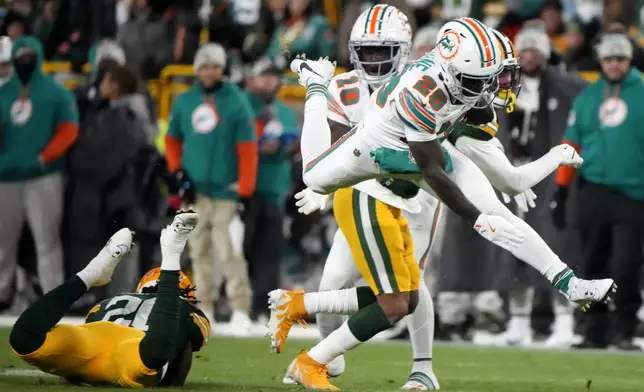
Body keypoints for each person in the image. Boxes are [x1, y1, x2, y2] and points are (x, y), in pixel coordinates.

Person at [269, 16, 614, 391]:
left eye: (495, 77)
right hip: (381, 150)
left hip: (427, 149)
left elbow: (480, 120)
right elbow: (431, 170)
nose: (491, 87)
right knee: (314, 176)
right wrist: (474, 219)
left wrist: (491, 120)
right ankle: (315, 85)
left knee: (495, 212)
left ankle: (568, 282)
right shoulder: (423, 90)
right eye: (482, 81)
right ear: (452, 75)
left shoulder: (468, 68)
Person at [284, 6, 441, 389]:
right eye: (365, 50)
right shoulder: (345, 88)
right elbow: (333, 148)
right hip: (364, 195)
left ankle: (423, 367)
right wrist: (323, 185)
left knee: (411, 282)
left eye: (380, 50)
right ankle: (328, 354)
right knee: (332, 282)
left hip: (413, 196)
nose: (371, 59)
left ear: (402, 50)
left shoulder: (420, 83)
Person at [10, 211, 207, 387]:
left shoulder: (109, 302)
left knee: (23, 339)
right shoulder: (183, 307)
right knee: (157, 354)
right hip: (133, 355)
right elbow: (194, 340)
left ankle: (91, 273)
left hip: (93, 342)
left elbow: (91, 321)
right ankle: (171, 254)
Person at [495, 22, 588, 348]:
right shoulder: (503, 85)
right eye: (525, 49)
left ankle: (564, 320)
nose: (530, 55)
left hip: (546, 177)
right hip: (512, 175)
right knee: (513, 248)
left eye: (536, 49)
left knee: (555, 247)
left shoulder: (564, 87)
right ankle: (518, 320)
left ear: (546, 54)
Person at [552, 30, 644, 350]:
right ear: (601, 61)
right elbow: (571, 144)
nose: (614, 64)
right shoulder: (588, 98)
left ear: (629, 60)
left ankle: (626, 329)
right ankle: (594, 331)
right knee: (592, 263)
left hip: (634, 193)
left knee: (627, 264)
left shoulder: (643, 93)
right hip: (593, 191)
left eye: (620, 58)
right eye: (609, 59)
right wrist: (561, 190)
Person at [164, 43, 257, 334]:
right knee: (198, 249)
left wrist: (245, 190)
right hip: (195, 191)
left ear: (222, 69)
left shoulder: (236, 101)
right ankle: (204, 307)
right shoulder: (185, 101)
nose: (209, 71)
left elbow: (247, 149)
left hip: (227, 191)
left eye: (214, 66)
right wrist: (177, 173)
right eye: (204, 66)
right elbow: (172, 140)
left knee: (228, 249)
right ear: (196, 70)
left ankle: (240, 308)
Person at [0, 36, 79, 310]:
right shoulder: (3, 92)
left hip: (44, 178)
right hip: (5, 179)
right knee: (2, 243)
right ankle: (2, 294)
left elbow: (69, 129)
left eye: (28, 57)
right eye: (19, 57)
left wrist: (45, 157)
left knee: (47, 241)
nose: (23, 62)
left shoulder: (56, 92)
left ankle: (53, 297)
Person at [243, 58, 299, 321]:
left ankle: (261, 307)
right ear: (252, 79)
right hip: (243, 190)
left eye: (273, 76)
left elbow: (297, 147)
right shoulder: (242, 107)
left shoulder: (285, 112)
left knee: (269, 252)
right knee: (241, 250)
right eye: (263, 76)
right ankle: (236, 303)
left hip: (274, 189)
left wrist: (289, 147)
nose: (269, 81)